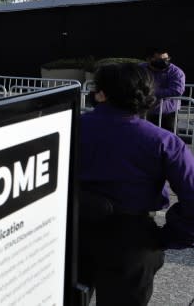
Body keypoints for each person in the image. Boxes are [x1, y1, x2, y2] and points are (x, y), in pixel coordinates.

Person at [78, 63, 194, 305]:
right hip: (132, 239)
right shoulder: (165, 142)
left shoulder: (69, 127)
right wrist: (168, 237)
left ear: (101, 93)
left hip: (71, 231)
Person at [141, 48, 185, 133]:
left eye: (166, 59)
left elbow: (177, 90)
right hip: (145, 110)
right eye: (159, 59)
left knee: (170, 137)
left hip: (167, 112)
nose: (164, 62)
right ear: (149, 59)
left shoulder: (176, 72)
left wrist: (151, 91)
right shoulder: (141, 69)